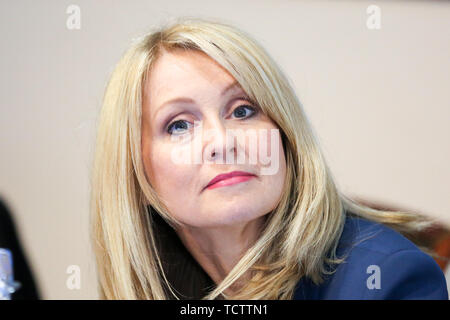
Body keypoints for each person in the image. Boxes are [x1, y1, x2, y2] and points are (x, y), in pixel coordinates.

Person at [90, 17, 448, 300]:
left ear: (286, 134)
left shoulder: (388, 279)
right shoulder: (156, 283)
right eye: (179, 125)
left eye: (243, 111)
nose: (222, 141)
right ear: (135, 171)